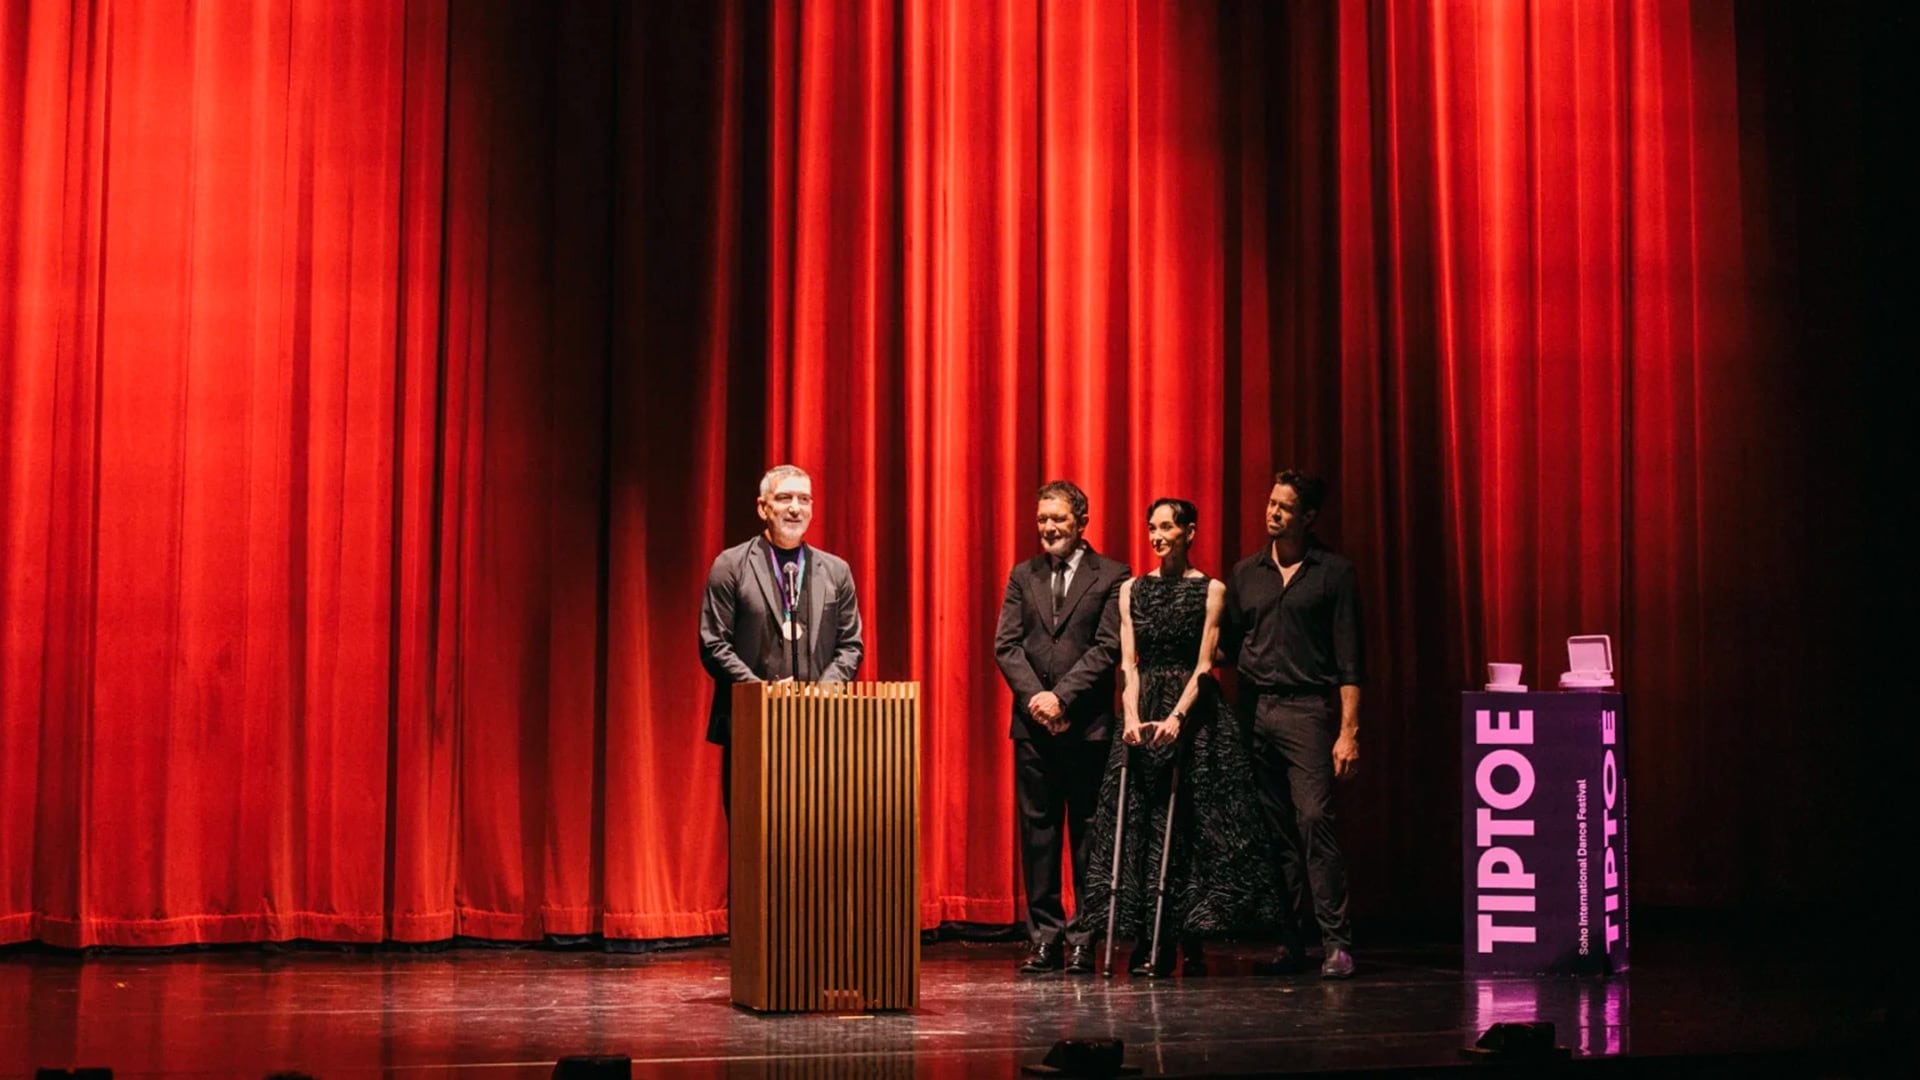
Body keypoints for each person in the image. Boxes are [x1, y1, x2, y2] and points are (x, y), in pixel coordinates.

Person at [1078, 499, 1282, 977]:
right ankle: (1150, 939)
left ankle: (1189, 939)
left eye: (1167, 527)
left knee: (1191, 826)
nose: (1157, 535)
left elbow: (1204, 665)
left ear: (1189, 531)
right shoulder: (1131, 590)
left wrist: (1177, 718)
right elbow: (1128, 662)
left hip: (1194, 717)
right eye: (1152, 527)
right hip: (1144, 706)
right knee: (1142, 826)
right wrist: (1131, 713)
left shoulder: (1211, 590)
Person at [1227, 469, 1363, 979]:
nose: (1273, 514)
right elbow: (1231, 642)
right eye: (1270, 504)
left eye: (1284, 507)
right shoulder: (1247, 573)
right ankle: (1290, 942)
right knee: (1273, 832)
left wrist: (1348, 731)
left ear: (1308, 517)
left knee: (1313, 822)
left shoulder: (1333, 573)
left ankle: (1337, 942)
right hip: (1255, 711)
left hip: (1307, 711)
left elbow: (1351, 661)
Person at [994, 480, 1129, 976]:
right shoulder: (1022, 574)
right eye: (1042, 519)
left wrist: (1063, 697)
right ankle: (1046, 938)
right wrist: (1037, 701)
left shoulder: (1113, 575)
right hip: (1034, 728)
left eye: (1058, 519)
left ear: (1082, 522)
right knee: (1039, 836)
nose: (1048, 528)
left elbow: (1107, 647)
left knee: (1089, 837)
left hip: (1087, 726)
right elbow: (1006, 645)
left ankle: (1083, 939)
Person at [699, 465, 865, 810]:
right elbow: (714, 643)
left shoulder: (836, 571)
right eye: (785, 497)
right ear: (763, 507)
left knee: (817, 839)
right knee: (756, 845)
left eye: (804, 499)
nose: (795, 508)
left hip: (821, 727)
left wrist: (827, 687)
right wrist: (762, 692)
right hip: (751, 727)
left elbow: (851, 645)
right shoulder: (730, 565)